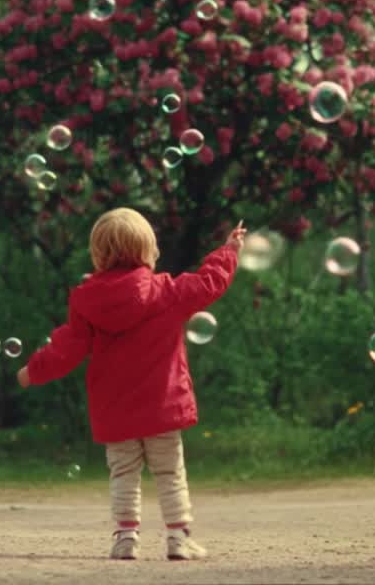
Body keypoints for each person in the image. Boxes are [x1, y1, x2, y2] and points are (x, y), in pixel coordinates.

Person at [17, 207, 245, 561]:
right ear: (148, 251)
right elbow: (207, 282)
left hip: (115, 410)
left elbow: (65, 348)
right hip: (163, 407)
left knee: (123, 473)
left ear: (98, 254)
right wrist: (228, 251)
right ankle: (178, 539)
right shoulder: (167, 291)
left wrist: (33, 370)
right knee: (170, 472)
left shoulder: (86, 301)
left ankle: (125, 538)